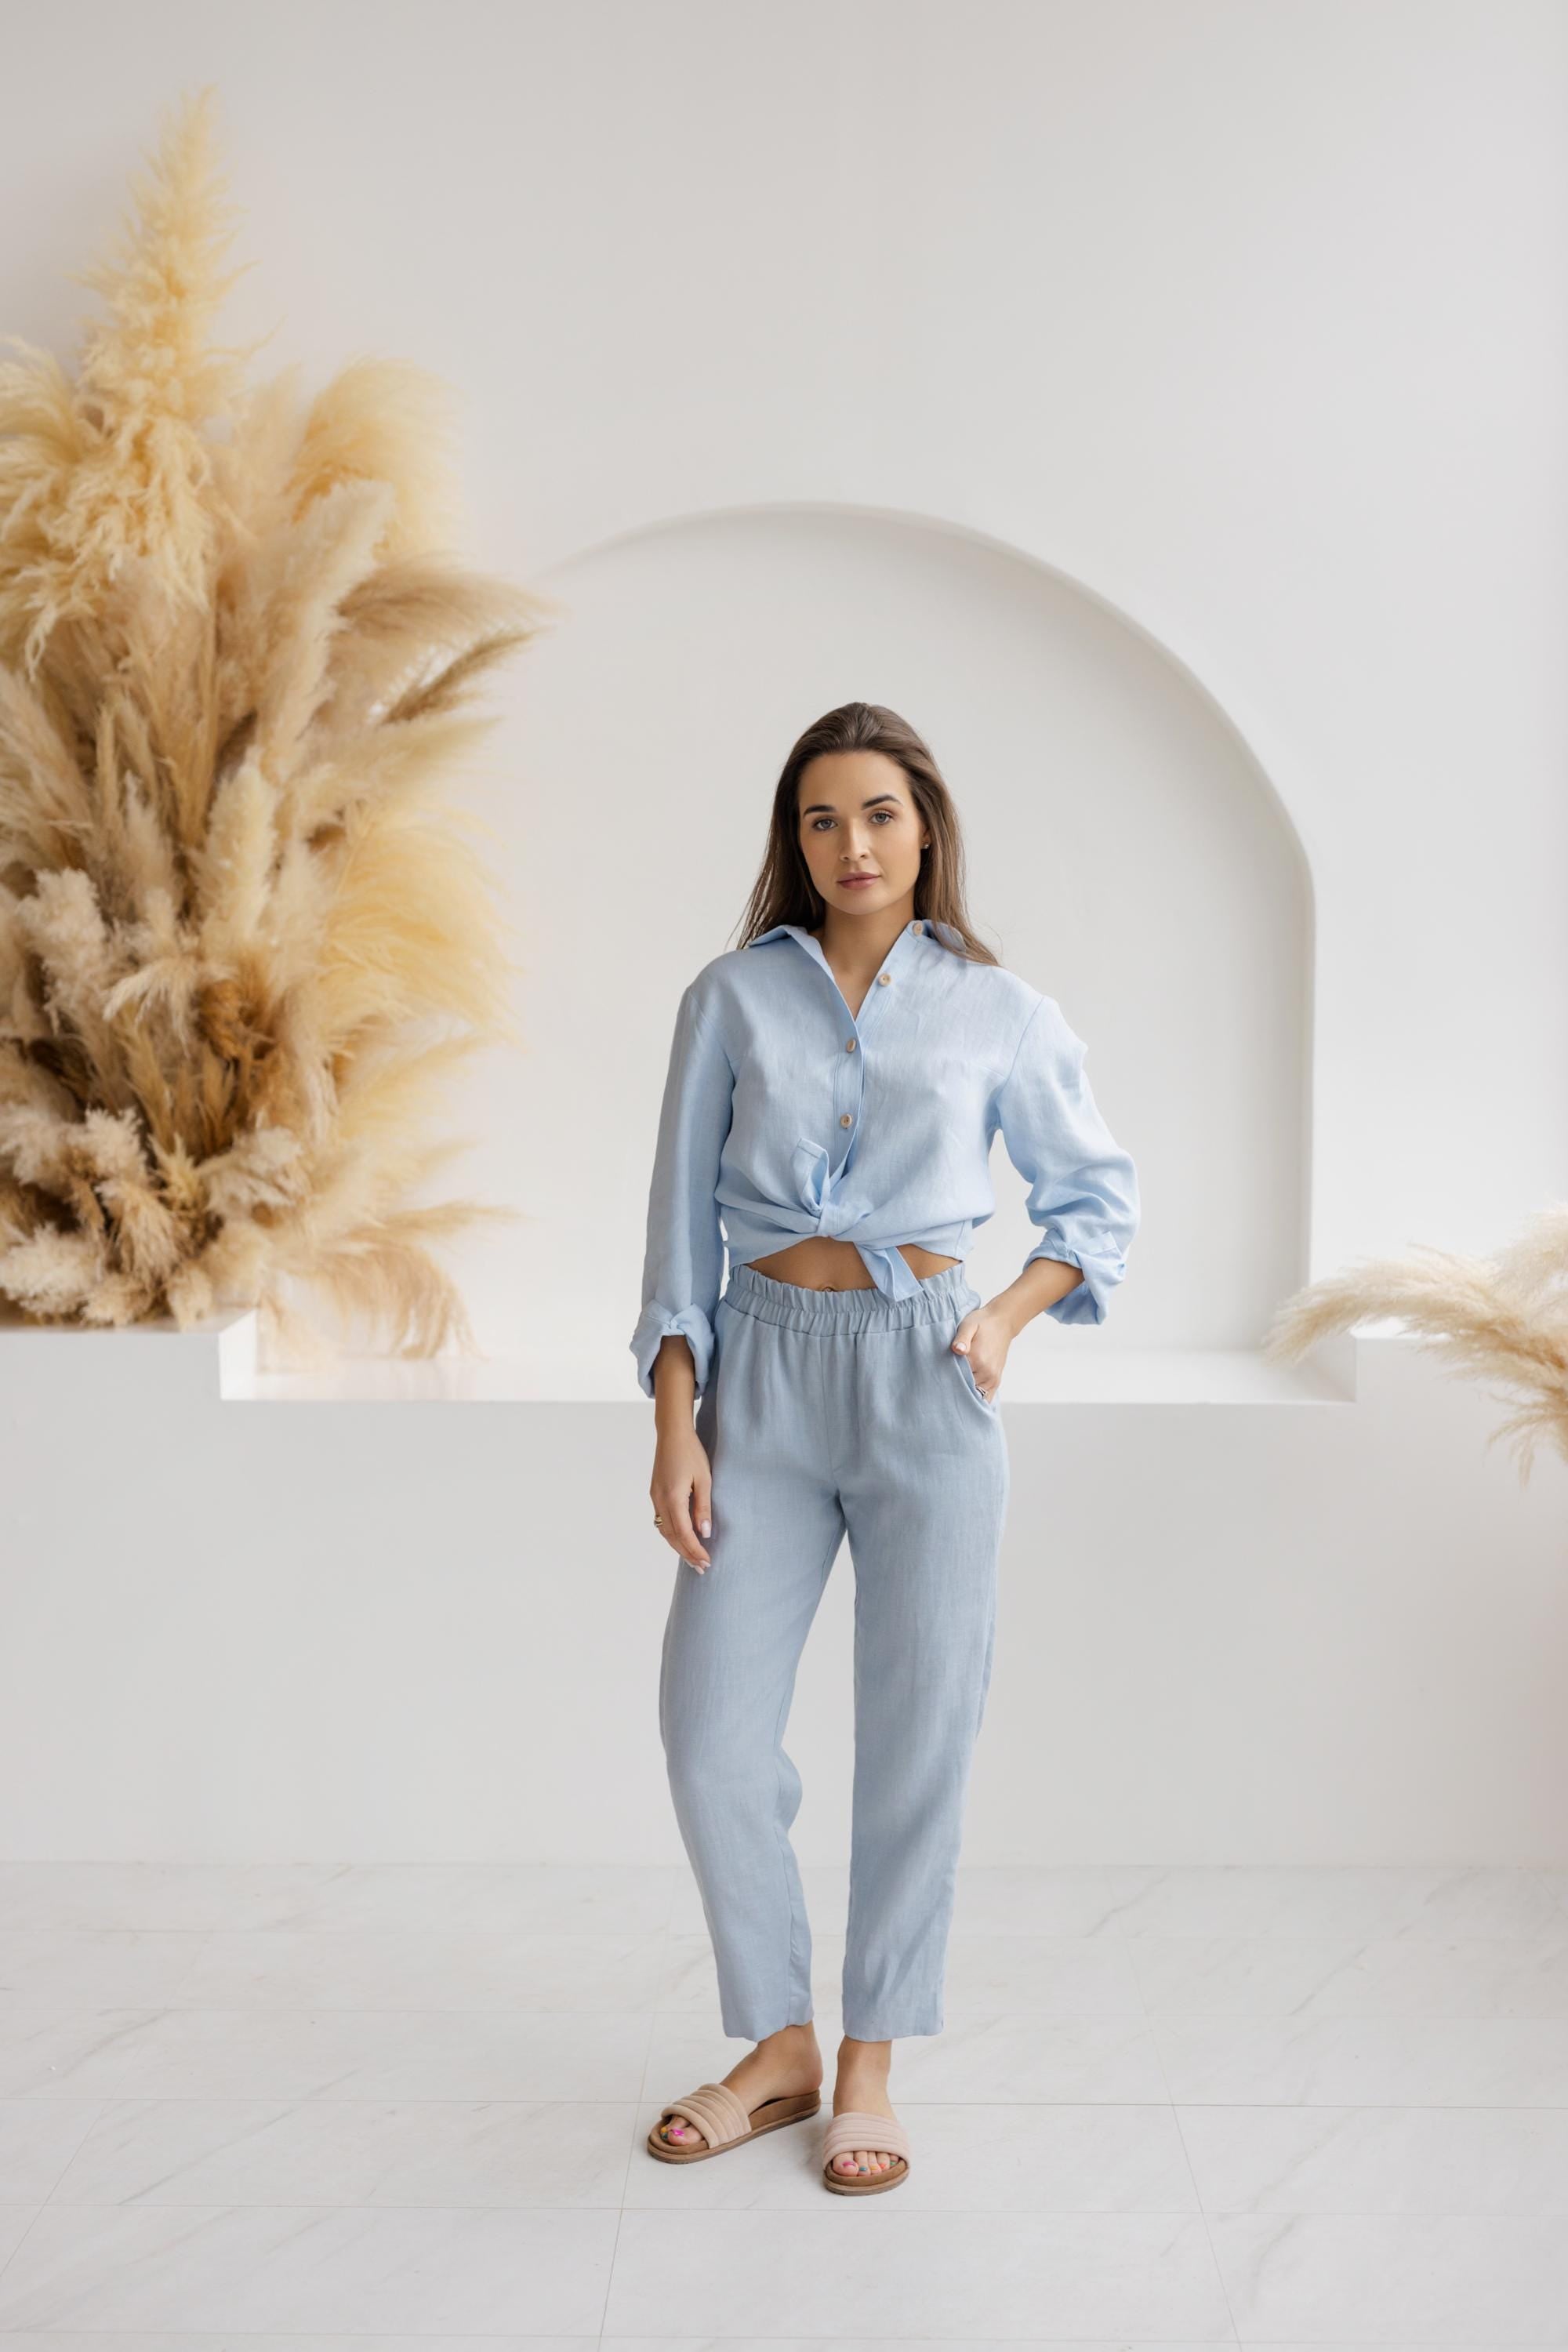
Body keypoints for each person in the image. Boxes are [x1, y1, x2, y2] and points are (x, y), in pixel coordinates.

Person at [630, 700, 1139, 2195]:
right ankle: (779, 2042)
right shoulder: (730, 998)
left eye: (880, 815)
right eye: (821, 820)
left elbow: (1094, 1206)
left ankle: (868, 2064)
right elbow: (673, 1225)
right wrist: (677, 1418)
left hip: (929, 1381)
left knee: (919, 1739)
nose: (852, 845)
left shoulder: (1003, 1011)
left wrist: (1006, 1322)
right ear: (794, 843)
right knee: (710, 1734)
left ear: (928, 830)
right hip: (761, 1382)